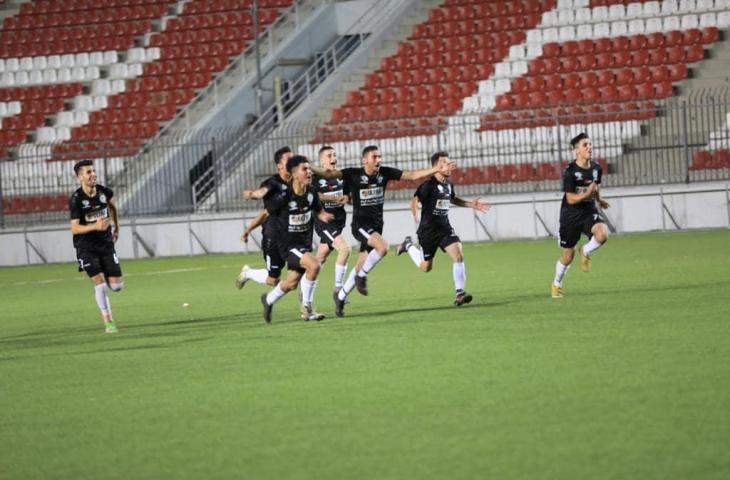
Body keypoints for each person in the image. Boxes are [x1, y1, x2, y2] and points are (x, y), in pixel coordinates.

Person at [312, 145, 453, 317]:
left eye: (379, 157)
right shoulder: (354, 174)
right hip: (361, 226)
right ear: (365, 160)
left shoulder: (384, 173)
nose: (378, 160)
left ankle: (340, 297)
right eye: (374, 157)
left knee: (360, 265)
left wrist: (435, 169)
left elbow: (412, 175)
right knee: (383, 247)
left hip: (377, 226)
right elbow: (329, 174)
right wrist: (308, 166)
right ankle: (361, 278)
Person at [395, 152, 490, 306]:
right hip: (428, 232)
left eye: (448, 161)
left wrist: (471, 204)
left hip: (444, 228)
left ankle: (459, 293)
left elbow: (453, 199)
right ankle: (408, 246)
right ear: (436, 167)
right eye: (444, 163)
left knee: (458, 255)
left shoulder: (448, 184)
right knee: (426, 267)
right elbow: (414, 200)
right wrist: (415, 213)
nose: (449, 165)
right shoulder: (428, 185)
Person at [260, 155, 334, 322]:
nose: (309, 172)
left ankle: (268, 300)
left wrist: (325, 217)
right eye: (305, 169)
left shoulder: (311, 193)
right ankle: (307, 309)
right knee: (314, 265)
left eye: (309, 169)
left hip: (304, 244)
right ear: (294, 174)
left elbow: (319, 211)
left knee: (291, 283)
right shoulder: (285, 196)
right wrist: (249, 230)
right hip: (288, 245)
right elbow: (265, 213)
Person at [551, 132, 610, 298]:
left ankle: (585, 250)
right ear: (576, 151)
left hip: (588, 211)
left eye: (590, 144)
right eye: (585, 145)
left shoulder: (597, 168)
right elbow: (570, 198)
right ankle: (557, 284)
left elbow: (595, 187)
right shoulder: (570, 172)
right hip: (570, 216)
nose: (589, 147)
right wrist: (587, 194)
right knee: (567, 256)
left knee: (602, 234)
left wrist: (599, 200)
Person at [69, 160, 123, 333]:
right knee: (100, 285)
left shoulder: (103, 192)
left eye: (93, 171)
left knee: (117, 286)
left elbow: (113, 206)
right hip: (86, 247)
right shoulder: (76, 199)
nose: (92, 174)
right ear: (80, 178)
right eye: (88, 172)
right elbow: (75, 228)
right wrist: (95, 226)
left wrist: (116, 226)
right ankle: (109, 322)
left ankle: (105, 273)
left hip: (106, 244)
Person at [235, 146, 293, 289]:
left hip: (291, 234)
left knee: (302, 266)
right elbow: (262, 196)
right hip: (273, 234)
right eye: (289, 159)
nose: (294, 161)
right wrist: (254, 194)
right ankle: (248, 273)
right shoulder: (273, 182)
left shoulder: (298, 181)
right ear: (279, 165)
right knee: (273, 280)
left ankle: (306, 302)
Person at [312, 146, 351, 294]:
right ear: (322, 160)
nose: (333, 158)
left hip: (338, 221)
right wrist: (333, 198)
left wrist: (347, 197)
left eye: (334, 155)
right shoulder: (315, 178)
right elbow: (316, 196)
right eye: (329, 155)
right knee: (344, 249)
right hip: (324, 223)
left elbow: (348, 195)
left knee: (320, 258)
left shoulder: (341, 176)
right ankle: (339, 289)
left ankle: (304, 284)